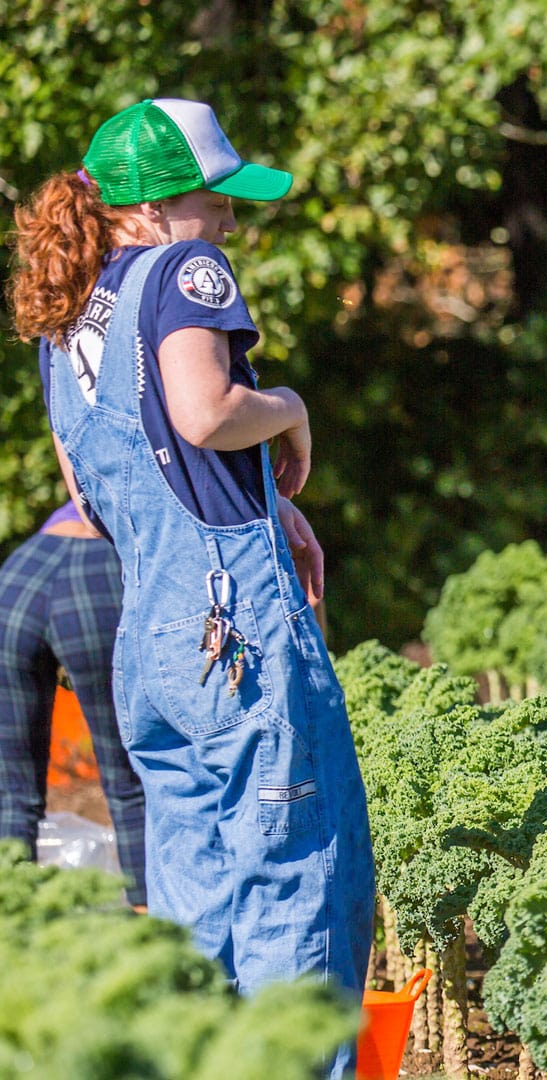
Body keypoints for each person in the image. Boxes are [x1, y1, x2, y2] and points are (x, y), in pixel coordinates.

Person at [8, 98, 373, 1074]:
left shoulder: (69, 316)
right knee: (294, 877)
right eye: (220, 200)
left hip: (155, 645)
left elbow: (98, 484)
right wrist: (289, 409)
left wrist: (258, 502)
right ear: (166, 205)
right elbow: (205, 411)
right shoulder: (183, 271)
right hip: (240, 639)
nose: (231, 222)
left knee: (192, 894)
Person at [0, 500, 146, 907]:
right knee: (129, 779)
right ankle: (158, 937)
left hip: (20, 575)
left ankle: (10, 938)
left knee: (12, 794)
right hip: (98, 571)